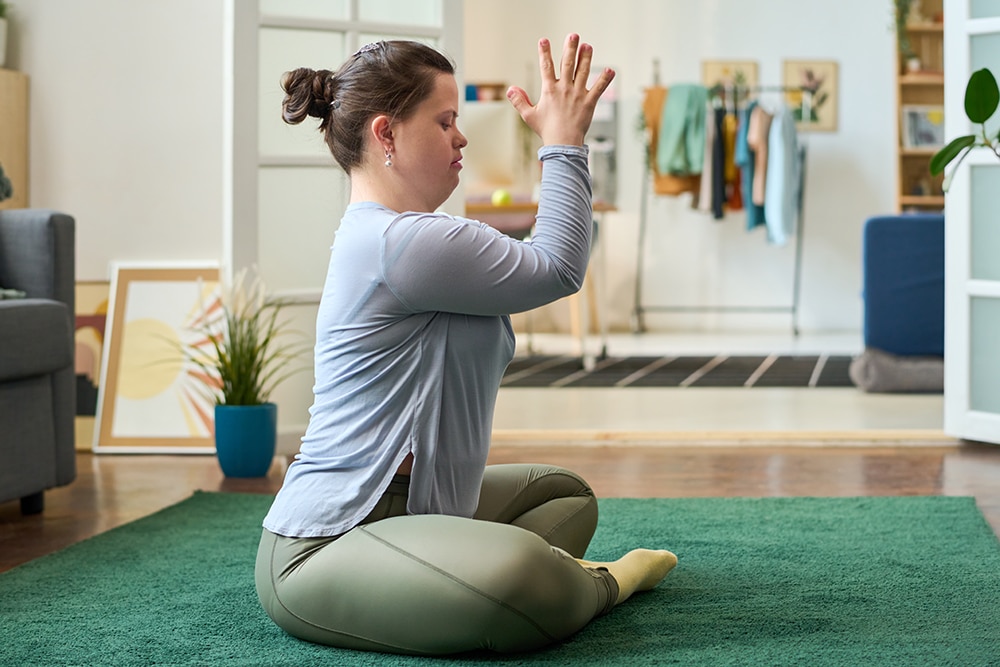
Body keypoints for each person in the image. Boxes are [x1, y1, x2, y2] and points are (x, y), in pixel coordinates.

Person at [255, 35, 677, 656]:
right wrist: (562, 145)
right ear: (387, 135)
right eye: (445, 120)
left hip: (418, 507)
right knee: (522, 569)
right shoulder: (401, 243)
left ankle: (506, 578)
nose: (462, 136)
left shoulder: (419, 238)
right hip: (323, 545)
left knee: (566, 497)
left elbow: (544, 263)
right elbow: (559, 267)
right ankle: (602, 584)